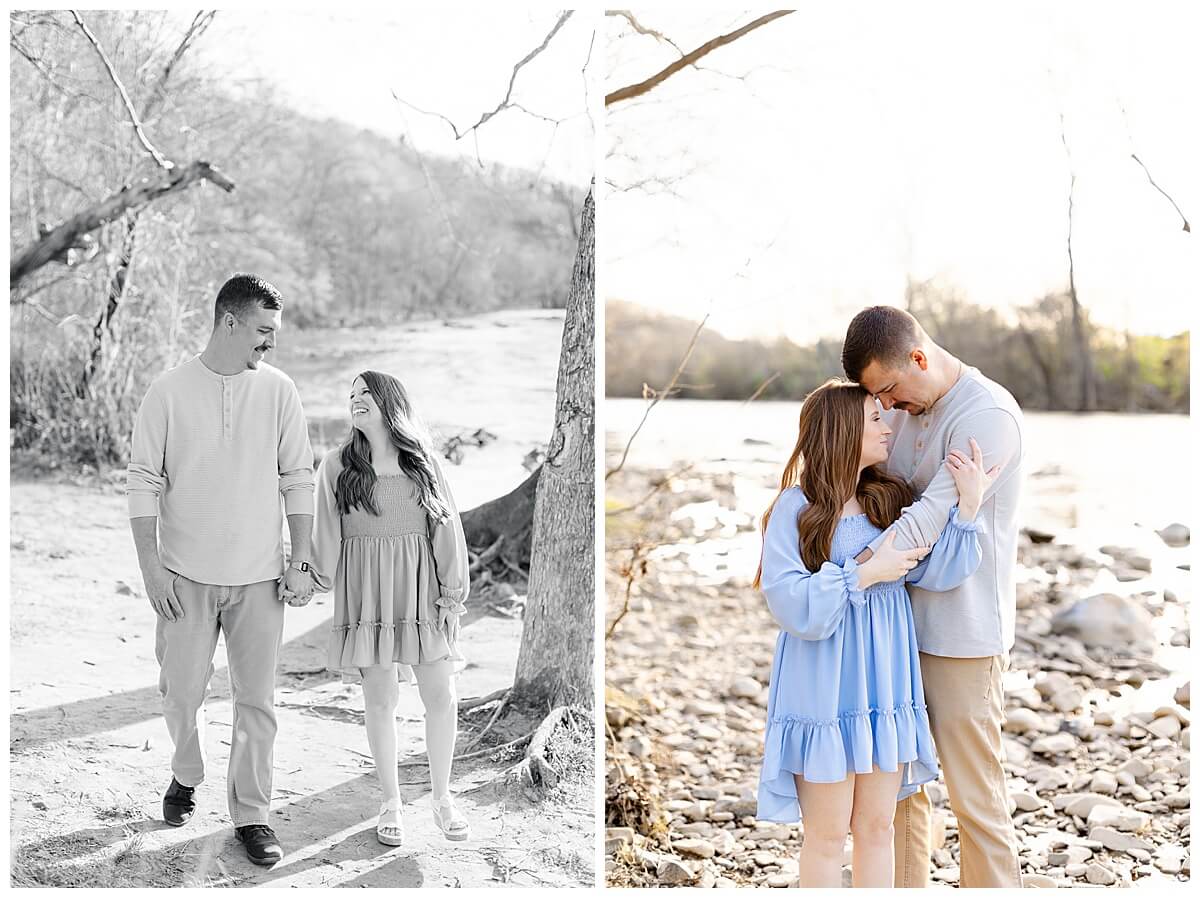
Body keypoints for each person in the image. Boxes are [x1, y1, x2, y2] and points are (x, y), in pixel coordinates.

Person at [755, 379, 995, 888]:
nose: (889, 426)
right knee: (824, 836)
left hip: (884, 684)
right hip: (822, 686)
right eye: (875, 419)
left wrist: (968, 509)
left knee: (877, 827)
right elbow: (793, 607)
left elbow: (937, 574)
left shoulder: (889, 501)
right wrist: (864, 572)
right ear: (842, 432)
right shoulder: (793, 510)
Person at [126, 274, 316, 867]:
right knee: (180, 693)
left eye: (274, 333)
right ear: (228, 323)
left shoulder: (281, 391)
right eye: (263, 331)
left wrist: (300, 556)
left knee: (257, 701)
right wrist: (153, 571)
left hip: (260, 578)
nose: (271, 344)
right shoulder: (168, 392)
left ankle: (252, 814)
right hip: (184, 577)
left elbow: (298, 478)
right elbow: (142, 484)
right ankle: (187, 770)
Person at [842, 305, 1025, 888]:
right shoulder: (905, 407)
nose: (888, 408)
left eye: (890, 390)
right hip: (896, 627)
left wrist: (849, 575)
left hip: (963, 636)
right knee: (896, 791)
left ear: (918, 358)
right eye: (879, 399)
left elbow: (926, 520)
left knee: (975, 798)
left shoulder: (988, 416)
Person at [305, 370, 470, 847]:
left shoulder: (423, 463)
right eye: (351, 395)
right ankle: (391, 801)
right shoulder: (336, 467)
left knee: (441, 694)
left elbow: (446, 529)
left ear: (389, 402)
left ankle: (442, 798)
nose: (355, 401)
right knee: (381, 700)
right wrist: (306, 578)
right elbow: (325, 538)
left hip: (422, 591)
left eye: (365, 394)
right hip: (367, 595)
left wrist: (452, 592)